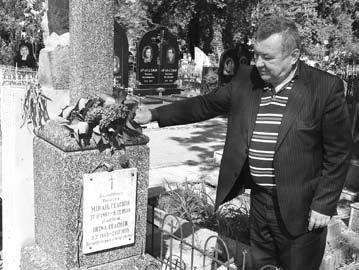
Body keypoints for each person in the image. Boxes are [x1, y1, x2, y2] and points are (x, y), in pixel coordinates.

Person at [134, 16, 352, 270]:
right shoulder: (248, 80)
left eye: (267, 57)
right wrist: (154, 114)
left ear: (294, 56)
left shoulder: (324, 87)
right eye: (256, 54)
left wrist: (324, 204)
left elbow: (338, 152)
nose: (258, 63)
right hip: (260, 202)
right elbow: (204, 105)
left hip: (302, 208)